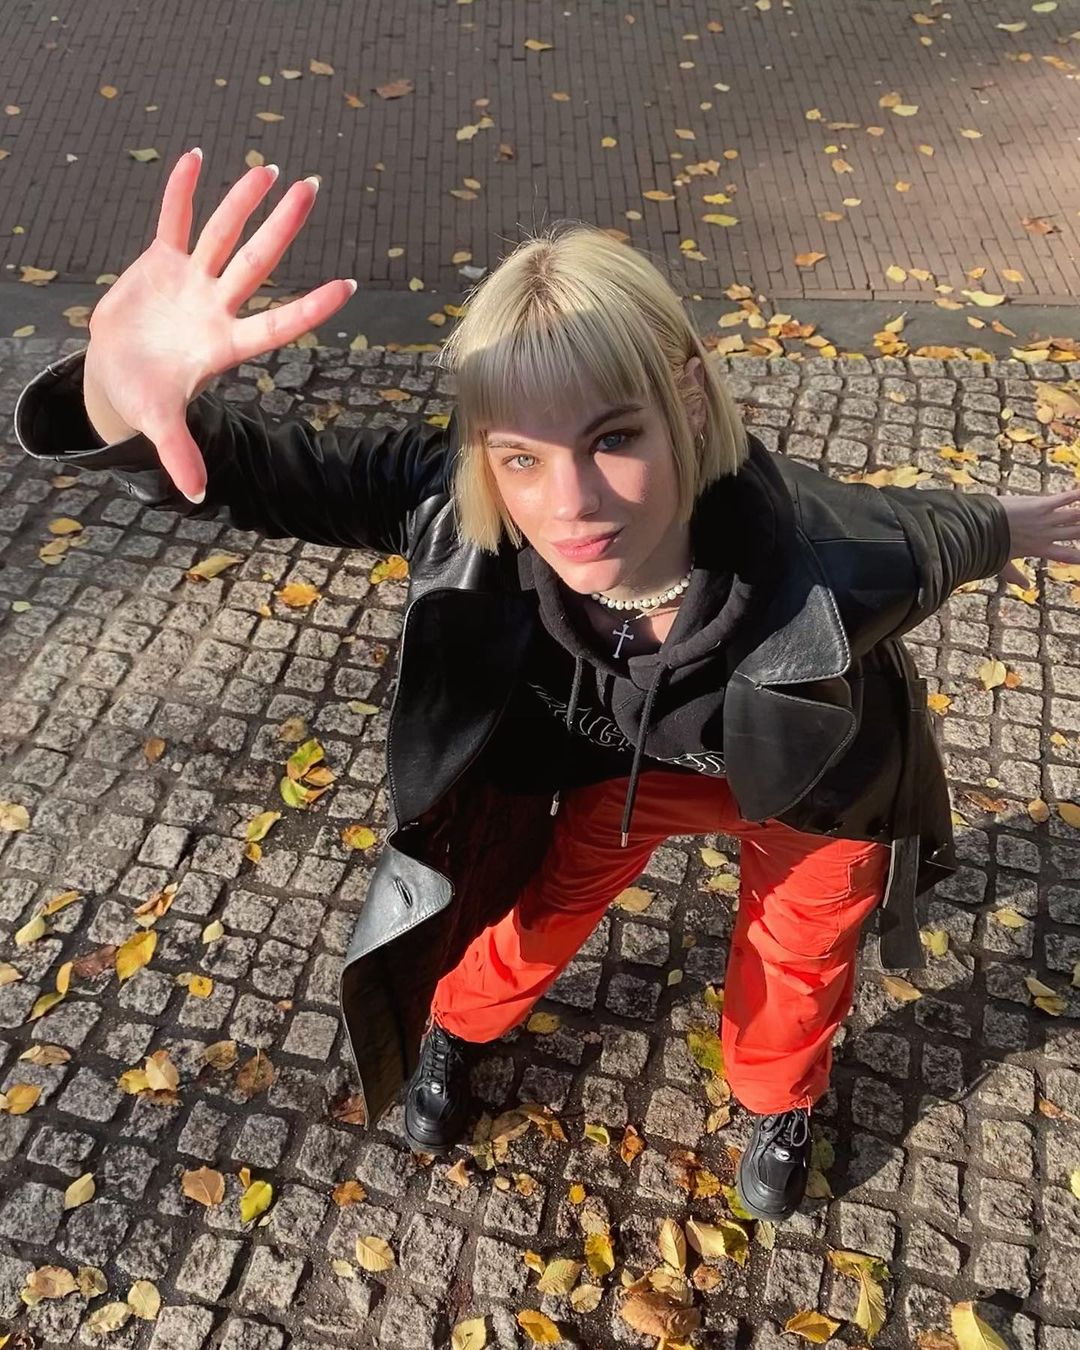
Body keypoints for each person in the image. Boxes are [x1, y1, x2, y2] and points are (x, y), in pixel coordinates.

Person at [14, 150, 1080, 1221]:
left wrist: (1015, 525)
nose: (569, 502)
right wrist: (112, 393)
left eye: (613, 438)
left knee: (801, 947)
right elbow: (261, 476)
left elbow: (935, 531)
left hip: (817, 780)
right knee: (542, 905)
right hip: (628, 765)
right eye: (520, 455)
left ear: (687, 401)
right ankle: (458, 1027)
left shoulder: (833, 556)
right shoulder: (455, 506)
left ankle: (776, 1097)